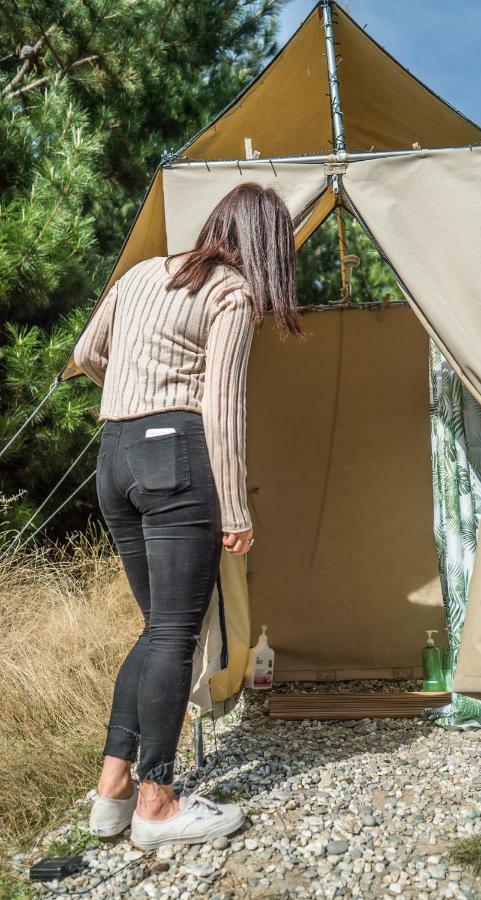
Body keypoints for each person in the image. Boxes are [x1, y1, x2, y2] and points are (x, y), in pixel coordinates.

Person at [72, 182, 301, 849]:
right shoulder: (231, 292)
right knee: (175, 636)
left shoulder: (144, 273)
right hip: (175, 456)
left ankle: (112, 792)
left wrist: (134, 390)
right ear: (265, 246)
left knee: (158, 631)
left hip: (114, 454)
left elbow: (86, 355)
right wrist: (235, 509)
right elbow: (223, 408)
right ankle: (158, 801)